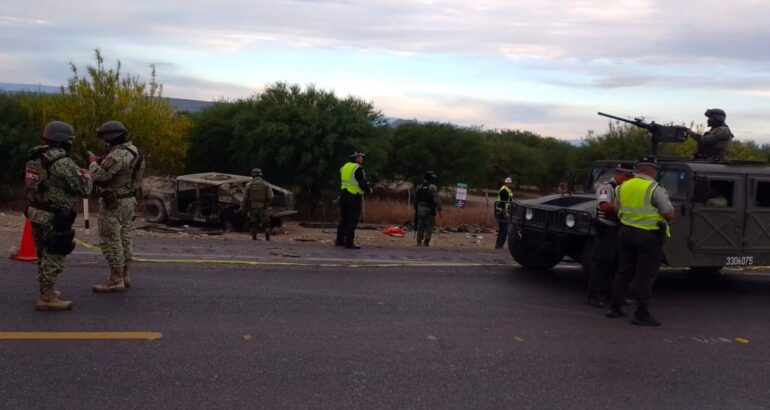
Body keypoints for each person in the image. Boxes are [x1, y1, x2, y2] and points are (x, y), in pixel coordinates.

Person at [24, 121, 93, 310]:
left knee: (43, 253)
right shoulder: (61, 162)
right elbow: (84, 187)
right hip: (54, 215)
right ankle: (46, 298)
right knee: (55, 253)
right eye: (70, 140)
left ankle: (47, 290)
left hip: (35, 210)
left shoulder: (35, 156)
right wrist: (89, 172)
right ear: (63, 140)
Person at [606, 157, 674, 326]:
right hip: (648, 236)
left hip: (626, 233)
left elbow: (616, 208)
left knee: (624, 272)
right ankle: (641, 314)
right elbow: (668, 213)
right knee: (645, 276)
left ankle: (614, 307)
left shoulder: (623, 186)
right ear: (652, 171)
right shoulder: (654, 188)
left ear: (638, 170)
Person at [88, 120, 145, 293]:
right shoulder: (135, 151)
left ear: (111, 136)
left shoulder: (117, 155)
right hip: (129, 201)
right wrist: (102, 161)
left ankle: (115, 279)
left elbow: (98, 176)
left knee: (110, 240)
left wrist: (92, 162)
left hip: (114, 203)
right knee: (124, 237)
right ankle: (125, 274)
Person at [587, 164, 633, 308]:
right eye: (627, 176)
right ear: (619, 174)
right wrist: (625, 209)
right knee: (601, 263)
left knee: (616, 264)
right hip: (606, 227)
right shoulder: (606, 187)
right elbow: (604, 206)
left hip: (618, 228)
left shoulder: (623, 189)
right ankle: (594, 295)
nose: (628, 180)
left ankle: (611, 295)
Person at [336, 151, 371, 249]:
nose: (362, 159)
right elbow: (362, 183)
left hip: (344, 195)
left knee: (343, 219)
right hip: (354, 196)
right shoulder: (358, 168)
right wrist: (368, 190)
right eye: (360, 157)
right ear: (355, 158)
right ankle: (349, 242)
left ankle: (339, 240)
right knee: (352, 220)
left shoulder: (344, 167)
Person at [242, 168, 274, 241]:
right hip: (263, 207)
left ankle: (254, 238)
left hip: (252, 207)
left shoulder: (249, 185)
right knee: (266, 223)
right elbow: (271, 196)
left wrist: (243, 207)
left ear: (252, 175)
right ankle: (268, 238)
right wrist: (266, 203)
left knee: (253, 223)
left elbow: (245, 198)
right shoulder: (266, 184)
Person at [414, 171, 442, 246]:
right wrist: (439, 208)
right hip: (429, 210)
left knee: (420, 226)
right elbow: (436, 199)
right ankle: (426, 242)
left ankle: (418, 242)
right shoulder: (432, 187)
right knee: (429, 227)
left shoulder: (419, 186)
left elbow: (416, 199)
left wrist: (416, 208)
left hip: (420, 210)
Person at [494, 177, 515, 249]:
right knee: (504, 230)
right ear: (507, 183)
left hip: (506, 211)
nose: (511, 184)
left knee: (504, 230)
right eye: (510, 183)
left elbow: (510, 201)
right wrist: (505, 213)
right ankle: (499, 245)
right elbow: (503, 203)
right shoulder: (504, 190)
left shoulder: (508, 190)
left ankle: (499, 245)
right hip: (501, 212)